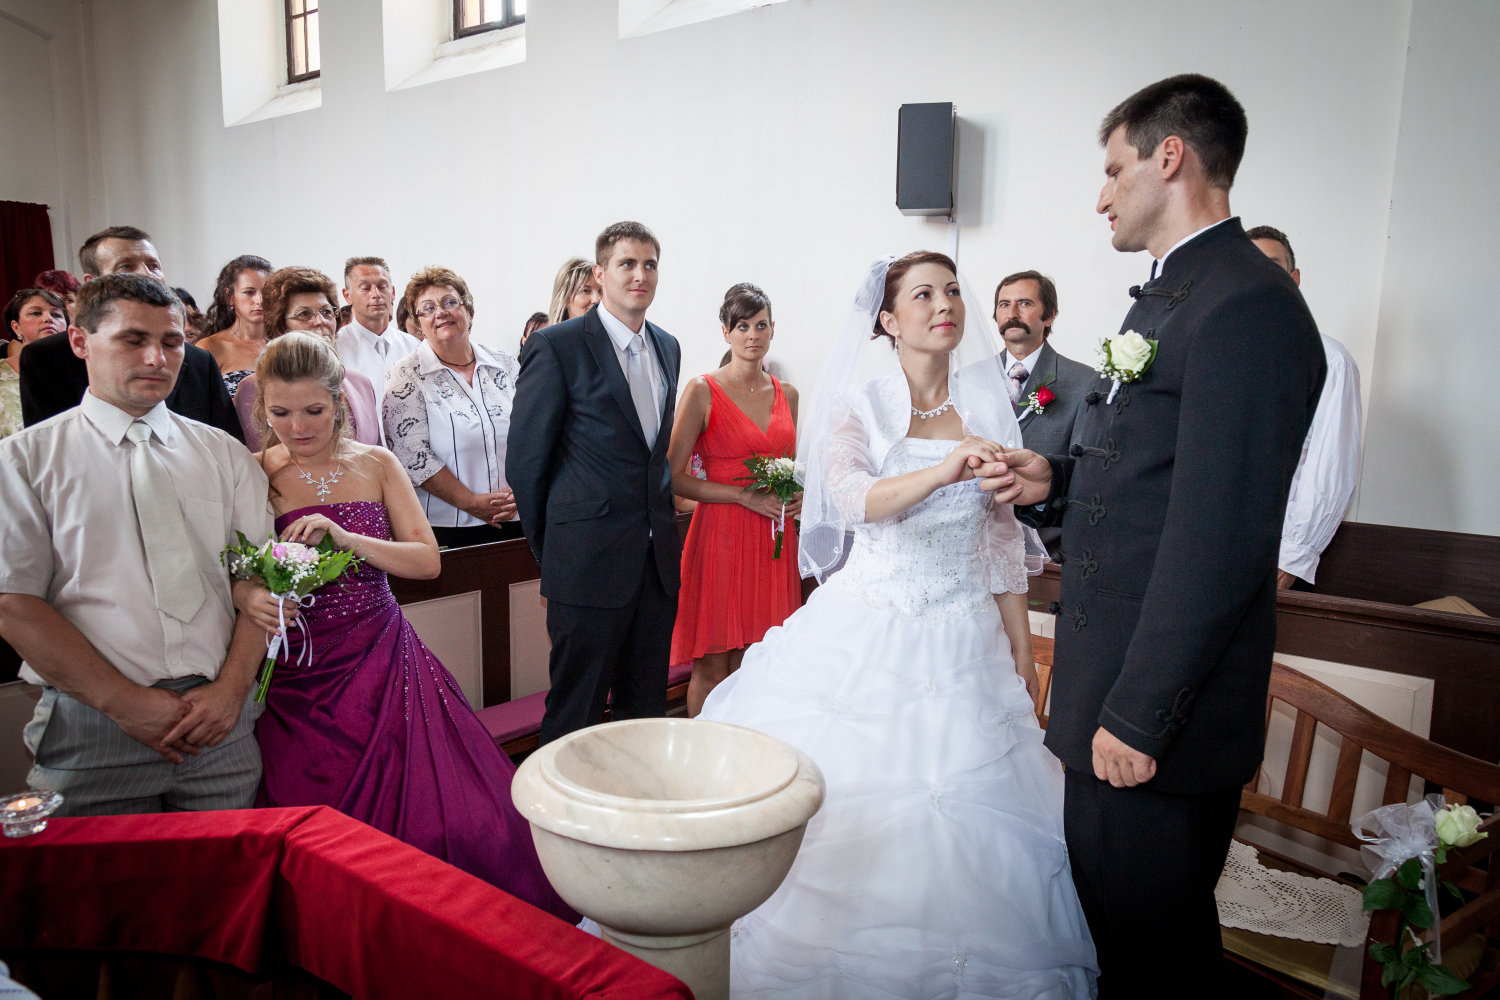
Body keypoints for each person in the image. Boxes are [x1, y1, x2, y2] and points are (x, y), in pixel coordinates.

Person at [988, 75, 1326, 989]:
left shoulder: (1247, 306)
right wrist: (1054, 479)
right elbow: (1155, 479)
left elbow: (1221, 538)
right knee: (1113, 943)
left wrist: (1138, 716)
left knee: (1155, 959)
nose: (1101, 195)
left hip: (1154, 722)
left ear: (1169, 157)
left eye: (1113, 169)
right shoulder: (1173, 296)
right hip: (1110, 692)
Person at [697, 252, 1096, 996]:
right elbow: (851, 499)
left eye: (953, 290)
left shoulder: (987, 411)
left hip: (966, 638)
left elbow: (1001, 538)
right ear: (887, 319)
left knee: (972, 818)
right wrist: (945, 469)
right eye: (923, 294)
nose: (945, 304)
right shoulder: (861, 405)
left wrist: (1020, 648)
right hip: (869, 629)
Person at [238, 331, 574, 920]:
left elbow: (427, 561)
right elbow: (238, 565)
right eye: (280, 413)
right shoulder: (254, 473)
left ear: (338, 401)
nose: (297, 427)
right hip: (298, 672)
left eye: (313, 410)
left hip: (382, 657)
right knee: (316, 822)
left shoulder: (377, 463)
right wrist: (251, 593)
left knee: (441, 812)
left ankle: (440, 916)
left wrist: (347, 539)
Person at [0, 274, 272, 816]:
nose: (156, 358)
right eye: (132, 339)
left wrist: (232, 690)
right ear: (80, 341)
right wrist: (125, 704)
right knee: (95, 874)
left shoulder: (224, 454)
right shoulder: (24, 461)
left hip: (220, 721)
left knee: (227, 871)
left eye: (171, 342)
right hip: (94, 722)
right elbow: (15, 603)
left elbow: (262, 577)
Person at [507, 222, 681, 745]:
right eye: (627, 263)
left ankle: (636, 798)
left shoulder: (668, 346)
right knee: (575, 713)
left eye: (650, 264)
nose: (640, 275)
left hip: (655, 567)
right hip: (585, 565)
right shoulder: (557, 346)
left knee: (644, 713)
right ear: (600, 274)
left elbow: (654, 457)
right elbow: (526, 463)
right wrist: (556, 554)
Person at [667, 283, 802, 716]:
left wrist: (796, 496)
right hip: (720, 538)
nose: (752, 335)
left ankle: (750, 751)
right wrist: (742, 497)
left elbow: (787, 468)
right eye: (742, 326)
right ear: (725, 332)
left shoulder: (788, 395)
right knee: (713, 665)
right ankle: (703, 754)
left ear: (773, 329)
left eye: (760, 325)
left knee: (759, 663)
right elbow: (673, 478)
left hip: (773, 540)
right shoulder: (702, 390)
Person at [18, 226, 243, 440]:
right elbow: (47, 444)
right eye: (126, 266)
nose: (146, 274)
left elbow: (225, 441)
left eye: (154, 266)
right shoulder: (47, 357)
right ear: (92, 282)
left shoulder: (200, 361)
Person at [1247, 225, 1363, 590]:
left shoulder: (1330, 360)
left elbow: (1330, 467)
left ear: (1293, 278)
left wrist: (1291, 559)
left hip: (1273, 553)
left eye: (1272, 265)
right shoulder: (1218, 354)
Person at [383, 266, 521, 548]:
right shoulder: (405, 374)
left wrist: (523, 493)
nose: (440, 312)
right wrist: (470, 502)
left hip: (518, 515)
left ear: (469, 311)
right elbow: (412, 455)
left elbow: (534, 434)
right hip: (448, 527)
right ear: (418, 324)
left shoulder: (504, 363)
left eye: (449, 302)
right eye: (428, 308)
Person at [994, 271, 1097, 561]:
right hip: (975, 542)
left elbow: (1084, 470)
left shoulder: (1085, 382)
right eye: (1004, 304)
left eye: (1024, 303)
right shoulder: (967, 380)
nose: (1012, 313)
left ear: (1049, 316)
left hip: (1049, 549)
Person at [233, 266, 382, 450]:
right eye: (304, 314)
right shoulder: (252, 388)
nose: (320, 321)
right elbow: (256, 457)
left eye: (327, 312)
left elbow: (375, 452)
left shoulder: (359, 382)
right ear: (281, 325)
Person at [335, 257, 418, 407]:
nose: (376, 294)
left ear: (393, 292)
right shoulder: (336, 347)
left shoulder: (413, 346)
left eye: (382, 286)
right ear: (347, 295)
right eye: (365, 288)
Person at [198, 255, 273, 397]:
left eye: (266, 292)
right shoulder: (210, 348)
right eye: (249, 292)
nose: (260, 300)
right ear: (229, 297)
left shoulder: (284, 343)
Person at [2, 289, 68, 439]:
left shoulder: (84, 370)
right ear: (16, 327)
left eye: (56, 315)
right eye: (36, 313)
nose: (48, 318)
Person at [546, 256, 602, 328]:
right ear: (564, 297)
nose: (597, 299)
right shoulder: (547, 335)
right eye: (585, 291)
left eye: (601, 291)